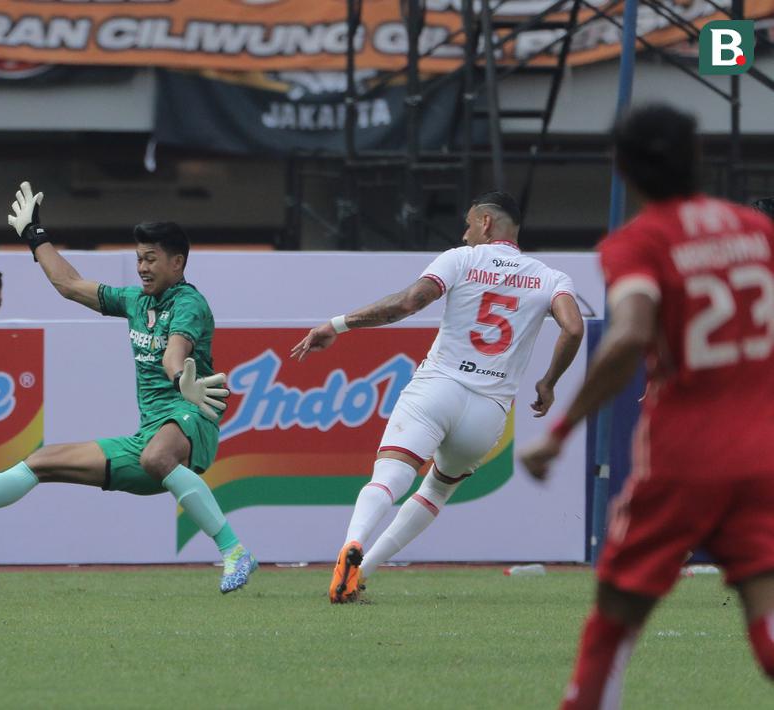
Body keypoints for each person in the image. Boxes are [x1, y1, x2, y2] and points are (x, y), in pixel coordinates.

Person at [520, 104, 774, 708]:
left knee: (613, 619)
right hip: (763, 453)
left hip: (684, 457)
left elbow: (631, 332)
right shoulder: (756, 231)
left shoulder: (639, 241)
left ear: (622, 168)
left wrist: (560, 429)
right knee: (766, 613)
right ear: (698, 157)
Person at [0, 181, 258, 593]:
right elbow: (69, 284)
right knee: (44, 460)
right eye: (139, 258)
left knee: (158, 456)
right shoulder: (134, 301)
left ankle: (234, 551)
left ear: (177, 263)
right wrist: (36, 236)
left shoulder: (188, 303)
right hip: (150, 438)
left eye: (151, 259)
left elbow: (173, 353)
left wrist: (180, 378)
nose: (142, 267)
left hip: (190, 418)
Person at [292, 191, 584, 604]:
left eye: (468, 224)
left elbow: (407, 304)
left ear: (485, 222)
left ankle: (353, 544)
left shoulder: (461, 259)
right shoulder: (550, 277)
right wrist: (549, 382)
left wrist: (338, 325)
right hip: (488, 411)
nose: (464, 234)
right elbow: (573, 329)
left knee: (390, 475)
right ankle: (364, 572)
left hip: (438, 387)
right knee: (436, 491)